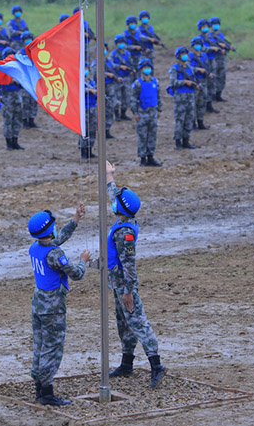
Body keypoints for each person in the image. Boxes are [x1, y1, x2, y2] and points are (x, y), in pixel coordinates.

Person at [105, 161, 166, 389]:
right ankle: (127, 363)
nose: (113, 204)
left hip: (124, 283)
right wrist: (110, 176)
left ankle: (156, 364)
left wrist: (128, 291)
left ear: (121, 209)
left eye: (116, 203)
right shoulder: (124, 218)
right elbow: (114, 197)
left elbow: (128, 264)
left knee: (138, 322)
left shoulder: (125, 233)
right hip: (117, 283)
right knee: (124, 324)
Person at [28, 204, 91, 405]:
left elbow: (58, 239)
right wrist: (83, 261)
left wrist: (76, 219)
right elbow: (77, 274)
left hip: (38, 304)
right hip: (53, 308)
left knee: (39, 346)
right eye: (53, 226)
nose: (56, 229)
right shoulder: (55, 255)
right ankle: (47, 394)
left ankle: (39, 387)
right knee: (52, 349)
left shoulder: (36, 247)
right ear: (49, 229)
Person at [131, 58, 162, 167]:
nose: (147, 70)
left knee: (152, 135)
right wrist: (135, 112)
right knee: (143, 136)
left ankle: (151, 156)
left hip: (153, 112)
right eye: (145, 68)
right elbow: (133, 99)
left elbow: (158, 97)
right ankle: (143, 158)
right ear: (141, 69)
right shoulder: (138, 83)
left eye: (148, 67)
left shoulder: (155, 81)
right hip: (142, 112)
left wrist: (159, 109)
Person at [169, 46, 199, 150]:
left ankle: (186, 140)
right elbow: (173, 82)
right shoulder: (175, 68)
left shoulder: (189, 68)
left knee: (189, 118)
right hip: (180, 97)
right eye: (182, 54)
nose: (185, 56)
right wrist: (185, 82)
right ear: (178, 56)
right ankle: (178, 141)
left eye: (186, 54)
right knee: (180, 119)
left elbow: (194, 79)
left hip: (190, 96)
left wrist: (196, 85)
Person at [0, 47, 24, 150]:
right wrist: (13, 80)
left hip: (17, 96)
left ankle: (15, 140)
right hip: (7, 97)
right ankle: (8, 142)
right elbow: (0, 82)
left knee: (17, 119)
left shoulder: (18, 69)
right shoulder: (1, 69)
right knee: (8, 121)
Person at [91, 42, 118, 139]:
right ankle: (101, 130)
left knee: (110, 108)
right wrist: (107, 75)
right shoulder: (95, 63)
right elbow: (95, 74)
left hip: (110, 87)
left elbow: (114, 68)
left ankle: (107, 130)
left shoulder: (108, 60)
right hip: (101, 87)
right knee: (100, 109)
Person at [197, 18, 220, 114]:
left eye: (206, 26)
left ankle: (209, 104)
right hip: (204, 62)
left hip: (212, 60)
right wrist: (211, 48)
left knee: (212, 83)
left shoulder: (211, 37)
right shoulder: (199, 39)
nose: (205, 28)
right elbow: (201, 49)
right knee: (204, 84)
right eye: (203, 27)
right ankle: (203, 105)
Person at [188, 36, 211, 130]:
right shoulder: (190, 56)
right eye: (196, 45)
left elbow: (207, 67)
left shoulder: (204, 55)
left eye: (199, 45)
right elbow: (188, 68)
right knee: (193, 103)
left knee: (202, 102)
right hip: (194, 82)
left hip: (203, 82)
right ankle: (192, 123)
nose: (198, 46)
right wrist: (198, 69)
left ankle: (200, 122)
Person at [111, 34, 135, 121]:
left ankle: (123, 113)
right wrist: (120, 67)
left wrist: (132, 69)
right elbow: (111, 65)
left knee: (127, 97)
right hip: (118, 78)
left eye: (122, 42)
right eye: (119, 43)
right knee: (117, 97)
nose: (121, 44)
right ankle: (117, 114)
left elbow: (131, 63)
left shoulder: (127, 53)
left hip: (127, 77)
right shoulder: (113, 54)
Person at [209, 17, 233, 102]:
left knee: (222, 76)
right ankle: (212, 96)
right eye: (214, 24)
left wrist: (228, 47)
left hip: (221, 58)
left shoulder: (221, 35)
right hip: (214, 58)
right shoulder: (209, 36)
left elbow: (224, 43)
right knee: (213, 76)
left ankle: (219, 95)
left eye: (217, 24)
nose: (216, 26)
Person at [20, 31, 39, 129]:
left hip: (35, 79)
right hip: (26, 80)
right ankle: (25, 121)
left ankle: (32, 120)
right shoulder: (20, 53)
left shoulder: (37, 51)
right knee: (26, 101)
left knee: (34, 100)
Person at [80, 65, 97, 159]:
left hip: (92, 107)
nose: (85, 71)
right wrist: (89, 90)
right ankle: (83, 150)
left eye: (87, 69)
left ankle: (90, 149)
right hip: (84, 108)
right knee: (84, 130)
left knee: (92, 130)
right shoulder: (79, 81)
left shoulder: (92, 82)